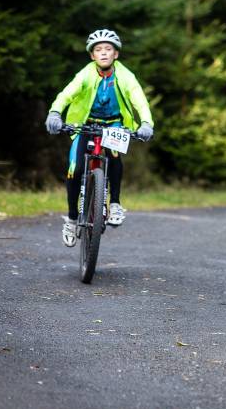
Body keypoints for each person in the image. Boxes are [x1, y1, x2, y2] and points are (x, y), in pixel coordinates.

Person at [44, 29, 154, 247]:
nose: (103, 53)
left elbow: (139, 99)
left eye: (108, 49)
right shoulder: (85, 74)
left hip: (114, 124)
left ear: (116, 54)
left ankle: (115, 204)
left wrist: (146, 123)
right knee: (75, 168)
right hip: (85, 123)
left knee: (114, 155)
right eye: (98, 49)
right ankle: (72, 219)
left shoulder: (125, 76)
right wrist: (55, 112)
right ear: (92, 55)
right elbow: (67, 94)